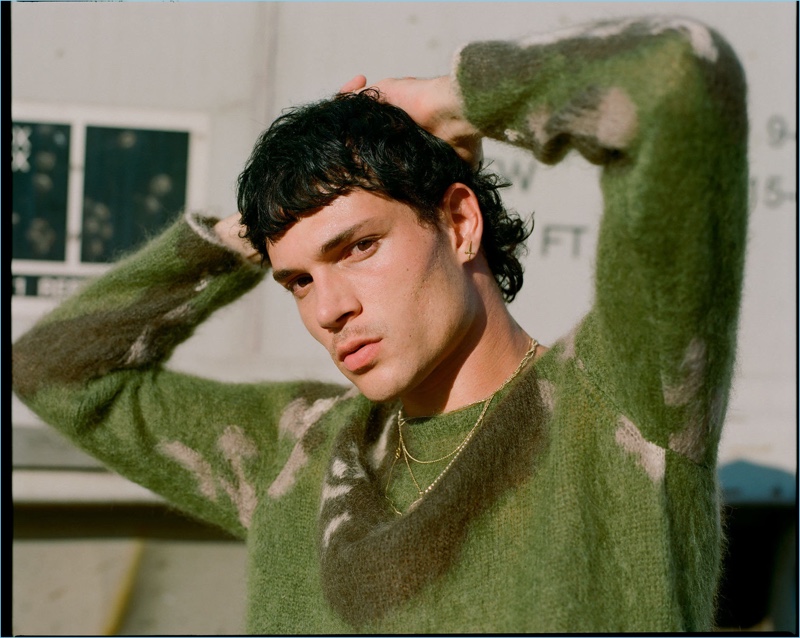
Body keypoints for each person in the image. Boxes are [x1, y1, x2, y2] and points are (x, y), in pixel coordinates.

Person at [12, 16, 748, 633]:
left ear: (459, 222)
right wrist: (256, 228)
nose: (327, 309)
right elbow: (54, 370)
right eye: (297, 280)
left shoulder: (619, 403)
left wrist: (454, 104)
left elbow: (677, 75)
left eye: (358, 247)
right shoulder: (296, 454)